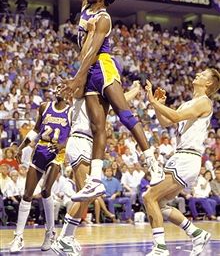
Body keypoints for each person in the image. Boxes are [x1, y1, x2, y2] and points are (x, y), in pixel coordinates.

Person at [57, 0, 163, 202]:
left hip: (101, 66)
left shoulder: (103, 18)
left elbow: (92, 51)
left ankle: (152, 161)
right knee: (97, 128)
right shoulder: (85, 5)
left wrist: (78, 78)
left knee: (124, 114)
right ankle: (95, 180)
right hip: (87, 69)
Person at [52, 82, 141, 255]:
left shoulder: (101, 99)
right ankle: (64, 238)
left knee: (87, 195)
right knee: (87, 193)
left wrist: (136, 90)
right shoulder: (83, 90)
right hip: (80, 140)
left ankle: (66, 237)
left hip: (90, 143)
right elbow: (75, 86)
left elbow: (120, 100)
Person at [143, 68, 220, 256]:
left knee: (149, 197)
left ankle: (160, 247)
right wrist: (158, 106)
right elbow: (166, 122)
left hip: (187, 158)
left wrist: (153, 101)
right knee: (159, 203)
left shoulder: (204, 102)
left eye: (202, 75)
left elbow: (175, 117)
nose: (197, 74)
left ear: (209, 83)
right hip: (181, 157)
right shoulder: (188, 103)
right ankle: (197, 233)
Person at [10, 87, 72, 253]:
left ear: (69, 93)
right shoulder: (45, 106)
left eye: (63, 88)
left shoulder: (72, 111)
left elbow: (74, 135)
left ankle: (50, 232)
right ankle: (18, 236)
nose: (59, 90)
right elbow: (36, 130)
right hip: (40, 150)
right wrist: (22, 147)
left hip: (57, 153)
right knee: (27, 194)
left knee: (46, 191)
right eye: (58, 87)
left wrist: (63, 145)